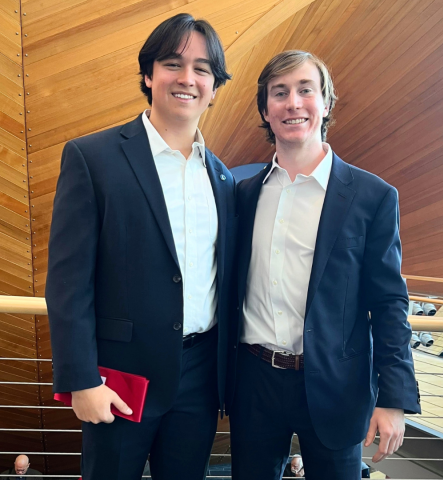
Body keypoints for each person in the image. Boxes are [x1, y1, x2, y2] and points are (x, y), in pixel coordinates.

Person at [46, 13, 236, 480]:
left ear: (214, 88)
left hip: (199, 379)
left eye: (202, 69)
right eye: (173, 63)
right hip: (119, 380)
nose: (187, 78)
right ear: (149, 75)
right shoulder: (92, 158)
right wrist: (81, 381)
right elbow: (68, 284)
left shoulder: (223, 177)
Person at [227, 50, 421, 479]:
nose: (293, 103)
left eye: (304, 90)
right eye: (280, 93)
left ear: (326, 103)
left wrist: (393, 399)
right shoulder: (243, 195)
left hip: (337, 385)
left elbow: (390, 303)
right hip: (254, 383)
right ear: (265, 109)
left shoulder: (372, 197)